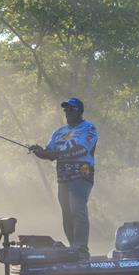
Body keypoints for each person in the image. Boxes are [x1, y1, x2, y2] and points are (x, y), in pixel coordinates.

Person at [29, 97, 98, 256]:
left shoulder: (89, 128)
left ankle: (81, 248)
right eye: (65, 109)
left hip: (82, 174)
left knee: (77, 209)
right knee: (66, 212)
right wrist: (39, 151)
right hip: (63, 177)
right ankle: (73, 248)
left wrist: (54, 154)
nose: (67, 112)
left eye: (71, 109)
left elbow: (81, 149)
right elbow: (50, 152)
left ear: (80, 111)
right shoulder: (59, 132)